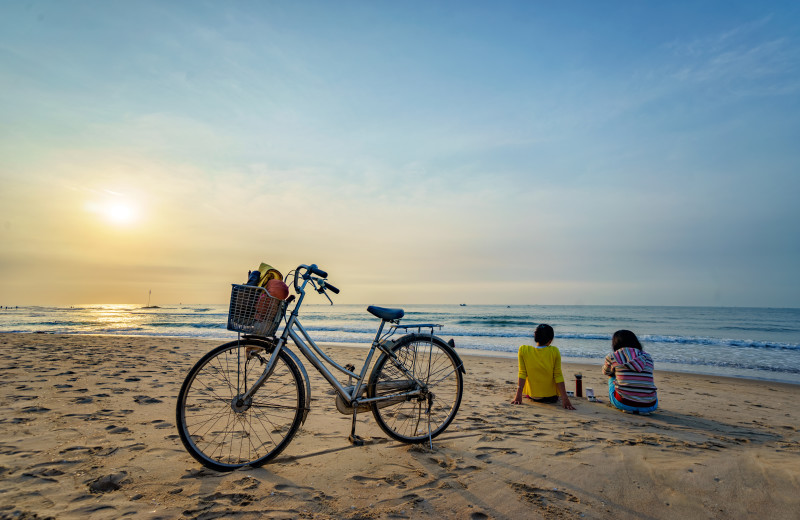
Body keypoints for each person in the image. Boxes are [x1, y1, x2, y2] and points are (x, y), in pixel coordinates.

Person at [512, 324, 575, 410]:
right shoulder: (554, 351)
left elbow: (522, 373)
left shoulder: (523, 350)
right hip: (551, 398)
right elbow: (558, 375)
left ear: (535, 337)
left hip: (532, 396)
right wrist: (565, 398)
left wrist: (518, 395)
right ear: (550, 340)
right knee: (556, 374)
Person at [602, 330, 658, 414]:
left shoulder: (612, 356)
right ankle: (641, 405)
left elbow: (605, 372)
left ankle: (628, 401)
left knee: (611, 376)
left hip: (623, 403)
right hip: (650, 405)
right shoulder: (647, 357)